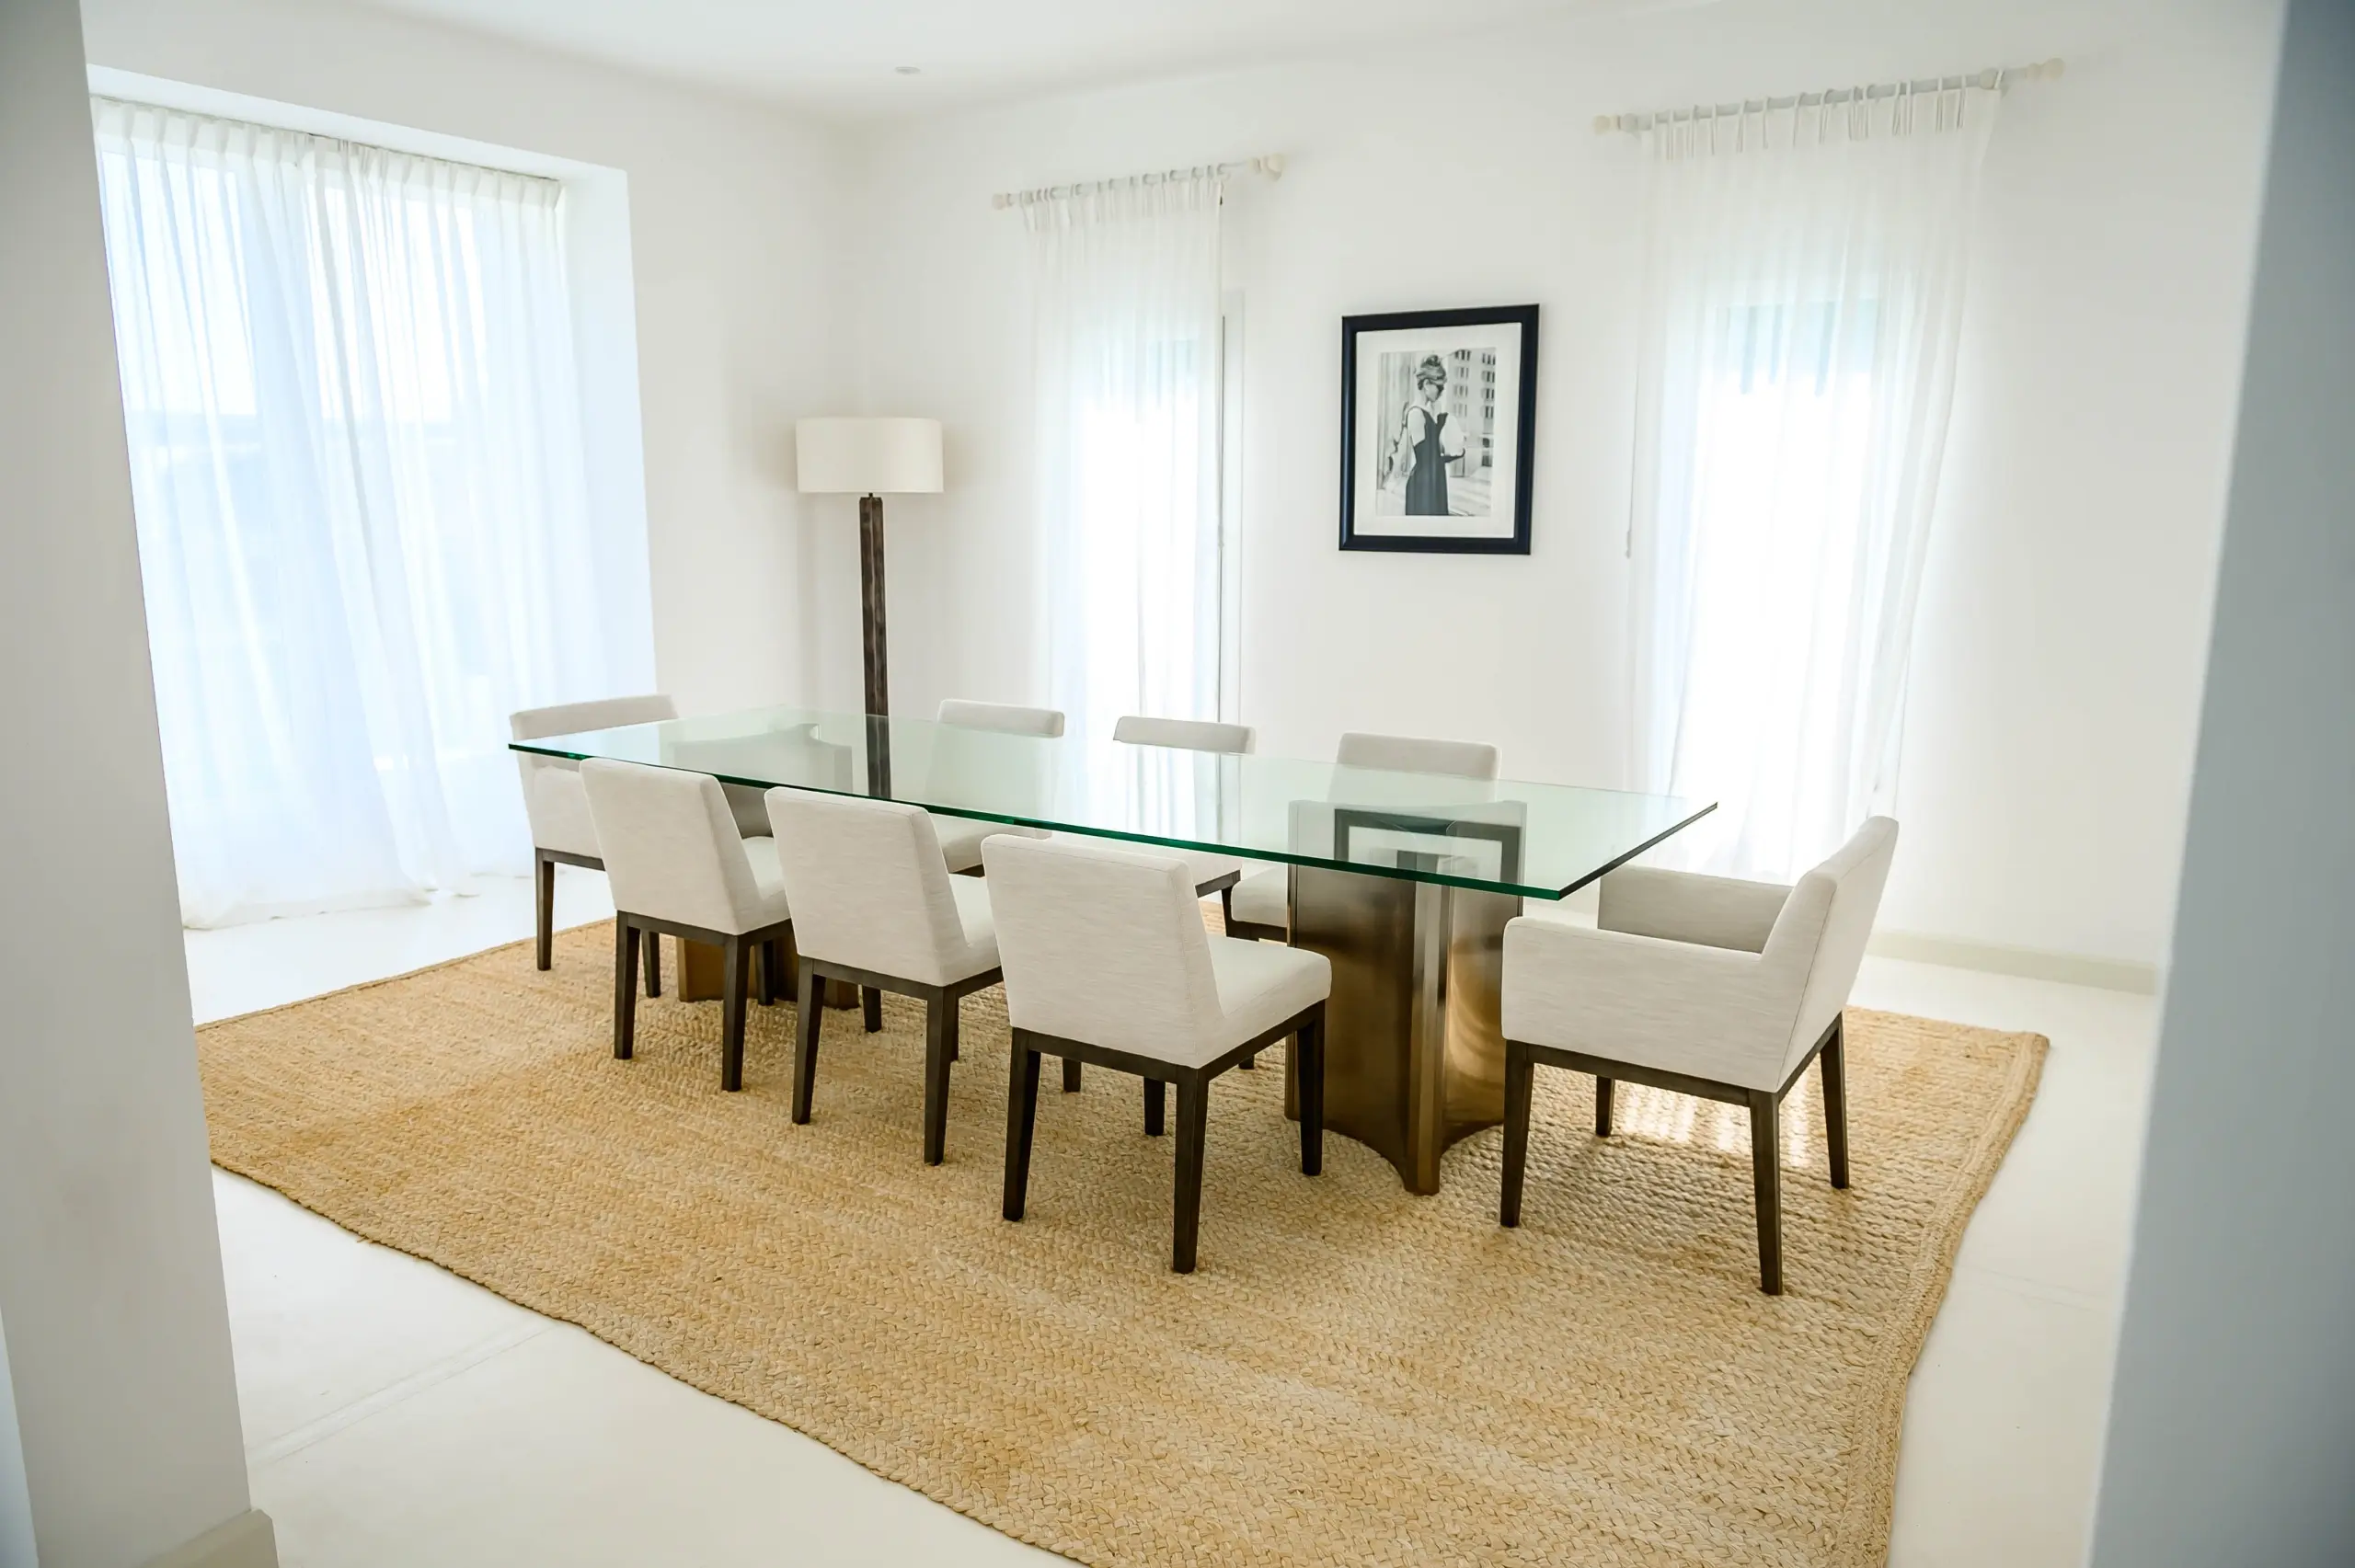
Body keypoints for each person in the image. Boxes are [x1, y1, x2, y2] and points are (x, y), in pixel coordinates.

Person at [1384, 354, 1466, 516]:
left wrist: (1455, 452)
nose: (1441, 392)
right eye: (1439, 386)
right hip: (1424, 485)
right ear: (1427, 384)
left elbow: (1434, 454)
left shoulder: (1427, 412)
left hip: (1433, 481)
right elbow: (1426, 457)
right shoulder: (1416, 413)